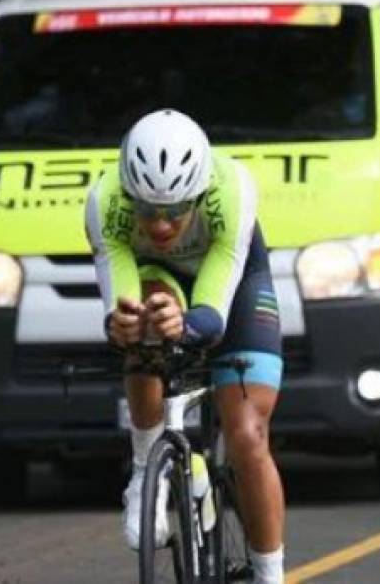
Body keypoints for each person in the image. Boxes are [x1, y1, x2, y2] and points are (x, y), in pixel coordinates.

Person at [85, 109, 285, 584]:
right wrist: (124, 324)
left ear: (198, 193)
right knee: (143, 316)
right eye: (147, 210)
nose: (160, 226)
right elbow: (120, 297)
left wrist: (190, 324)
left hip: (233, 284)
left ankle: (269, 574)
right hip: (159, 279)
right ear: (128, 194)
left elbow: (214, 314)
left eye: (175, 211)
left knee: (248, 437)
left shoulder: (232, 189)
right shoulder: (104, 201)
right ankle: (143, 473)